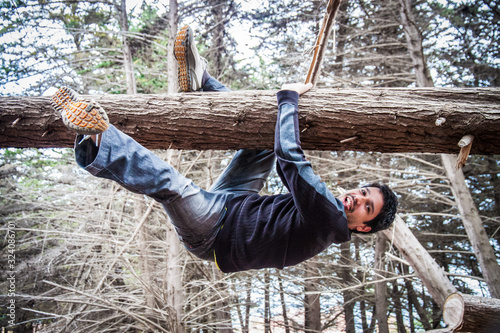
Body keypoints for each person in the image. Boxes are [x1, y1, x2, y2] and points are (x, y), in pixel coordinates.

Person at [51, 25, 397, 273]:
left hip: (215, 234)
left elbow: (291, 162)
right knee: (263, 144)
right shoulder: (331, 213)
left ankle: (97, 140)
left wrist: (288, 98)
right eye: (364, 192)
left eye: (367, 207)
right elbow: (279, 154)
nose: (357, 198)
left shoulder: (330, 220)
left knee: (171, 185)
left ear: (363, 227)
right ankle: (203, 83)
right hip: (235, 204)